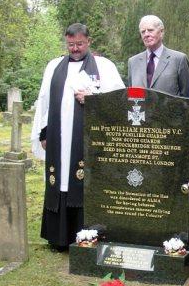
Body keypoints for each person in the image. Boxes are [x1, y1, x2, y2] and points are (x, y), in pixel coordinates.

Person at [31, 23, 125, 250]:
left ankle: (86, 236)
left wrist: (93, 98)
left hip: (89, 140)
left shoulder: (104, 66)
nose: (74, 49)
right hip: (58, 137)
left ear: (89, 42)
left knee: (83, 181)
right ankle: (58, 237)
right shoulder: (54, 66)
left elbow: (119, 99)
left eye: (79, 44)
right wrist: (44, 132)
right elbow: (45, 101)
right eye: (71, 44)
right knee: (59, 179)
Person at [128, 15, 189, 96]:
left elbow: (187, 99)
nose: (146, 34)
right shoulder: (133, 62)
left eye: (150, 30)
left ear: (161, 32)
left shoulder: (179, 60)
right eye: (143, 31)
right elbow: (132, 98)